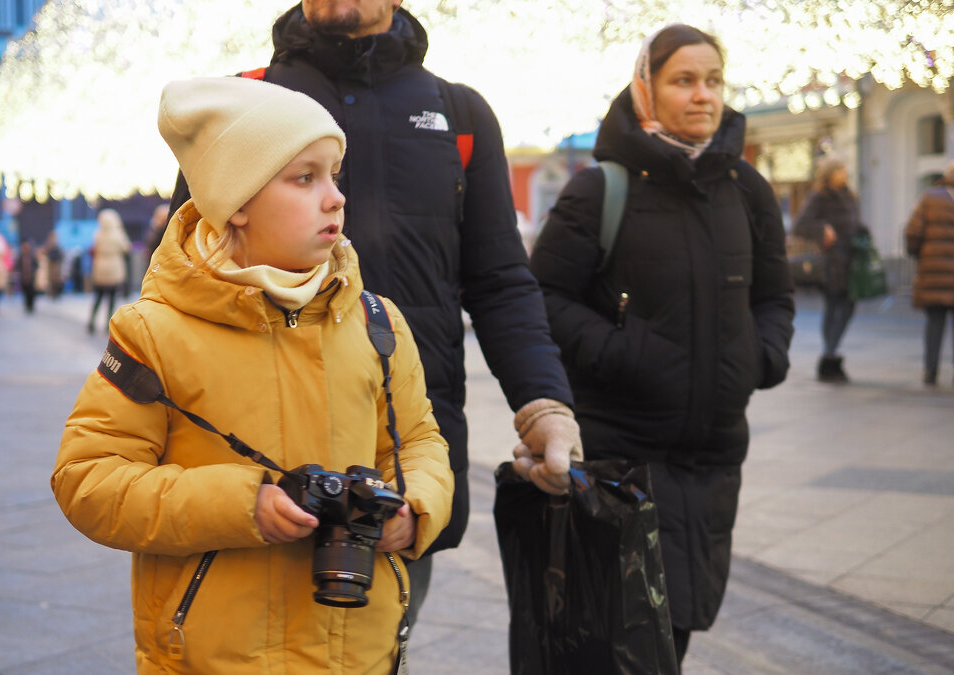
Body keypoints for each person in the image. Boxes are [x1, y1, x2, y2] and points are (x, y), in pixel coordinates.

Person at [168, 0, 581, 623]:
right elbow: (186, 266)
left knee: (378, 652)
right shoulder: (244, 101)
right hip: (253, 455)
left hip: (401, 457)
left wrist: (543, 405)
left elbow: (499, 282)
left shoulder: (459, 114)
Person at [52, 76, 454, 673]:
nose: (335, 197)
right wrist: (243, 505)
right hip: (217, 656)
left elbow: (418, 441)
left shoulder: (376, 322)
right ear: (236, 200)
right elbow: (88, 481)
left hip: (356, 651)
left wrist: (415, 506)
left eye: (334, 175)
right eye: (304, 178)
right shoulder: (155, 333)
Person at [528, 24, 795, 664]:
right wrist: (625, 354)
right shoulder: (602, 190)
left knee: (681, 621)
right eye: (683, 81)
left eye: (713, 81)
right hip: (625, 457)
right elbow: (542, 299)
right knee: (629, 637)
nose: (703, 96)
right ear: (646, 88)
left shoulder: (746, 189)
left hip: (714, 456)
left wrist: (761, 357)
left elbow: (775, 297)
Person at [793, 156, 869, 383]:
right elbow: (801, 225)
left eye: (845, 170)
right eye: (840, 171)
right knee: (835, 306)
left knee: (848, 307)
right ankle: (830, 357)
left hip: (852, 261)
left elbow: (855, 223)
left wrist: (864, 234)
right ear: (829, 174)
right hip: (832, 261)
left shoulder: (849, 195)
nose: (844, 175)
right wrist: (823, 229)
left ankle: (830, 353)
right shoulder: (820, 196)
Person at [905, 160, 954, 386]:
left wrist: (919, 256)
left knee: (935, 322)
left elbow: (913, 231)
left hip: (933, 271)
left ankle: (930, 370)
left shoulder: (930, 197)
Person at [85, 208, 131, 334]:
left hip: (100, 266)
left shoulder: (98, 234)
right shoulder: (118, 234)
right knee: (111, 298)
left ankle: (91, 322)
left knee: (98, 297)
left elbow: (94, 248)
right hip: (114, 267)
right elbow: (126, 248)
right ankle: (107, 324)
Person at [15, 239, 39, 314]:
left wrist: (33, 271)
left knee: (31, 293)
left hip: (31, 277)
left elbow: (36, 265)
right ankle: (27, 306)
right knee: (25, 293)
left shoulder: (32, 255)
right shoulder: (21, 255)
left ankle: (31, 306)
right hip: (23, 278)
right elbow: (17, 265)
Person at [42, 230, 65, 300]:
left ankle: (56, 294)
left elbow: (61, 255)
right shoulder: (49, 245)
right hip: (51, 266)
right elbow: (45, 253)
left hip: (57, 266)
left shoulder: (57, 245)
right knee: (51, 281)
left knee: (57, 281)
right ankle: (52, 294)